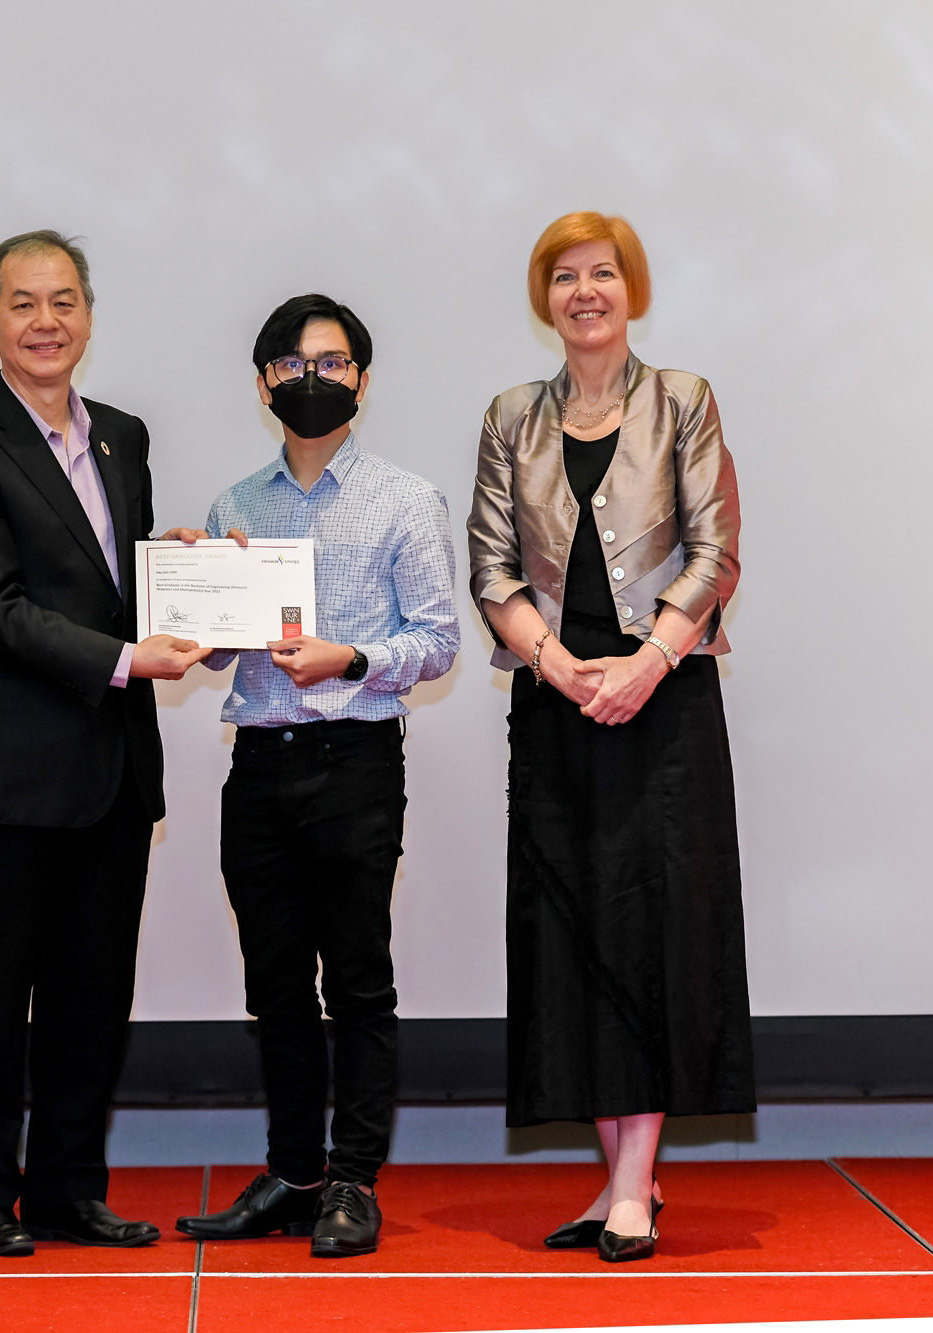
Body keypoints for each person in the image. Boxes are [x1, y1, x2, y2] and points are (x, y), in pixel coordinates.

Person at [465, 212, 753, 1263]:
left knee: (654, 929)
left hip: (660, 698)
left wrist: (645, 663)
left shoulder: (682, 399)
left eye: (600, 274)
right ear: (543, 299)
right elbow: (489, 564)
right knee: (569, 929)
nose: (582, 292)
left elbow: (713, 550)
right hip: (555, 697)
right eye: (562, 278)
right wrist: (552, 663)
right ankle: (614, 1176)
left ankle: (634, 1185)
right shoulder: (509, 416)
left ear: (629, 288)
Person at [0, 230, 210, 1257]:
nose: (47, 322)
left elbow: (95, 577)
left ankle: (69, 1187)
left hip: (112, 772)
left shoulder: (121, 436)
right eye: (24, 304)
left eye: (65, 302)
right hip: (2, 774)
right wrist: (131, 655)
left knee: (93, 997)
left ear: (87, 314)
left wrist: (164, 568)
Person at [165, 295, 459, 1258]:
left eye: (333, 363)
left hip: (355, 758)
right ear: (264, 385)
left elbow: (439, 640)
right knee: (277, 989)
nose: (313, 379)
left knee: (359, 983)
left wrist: (351, 659)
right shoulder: (234, 507)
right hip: (258, 764)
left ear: (363, 382)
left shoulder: (407, 500)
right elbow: (213, 654)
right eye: (292, 366)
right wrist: (192, 585)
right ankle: (294, 1174)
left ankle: (355, 1181)